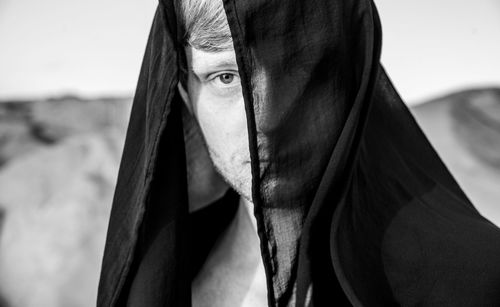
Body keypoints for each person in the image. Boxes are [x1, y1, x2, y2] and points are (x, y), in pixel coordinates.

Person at [97, 0, 500, 306]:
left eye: (302, 74)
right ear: (184, 90)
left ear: (350, 84)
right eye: (226, 77)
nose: (267, 120)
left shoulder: (471, 279)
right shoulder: (159, 273)